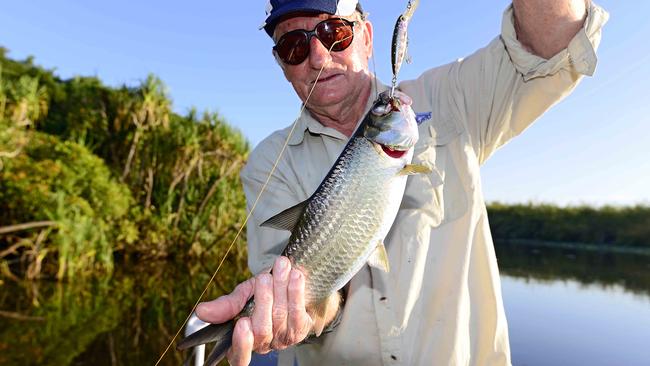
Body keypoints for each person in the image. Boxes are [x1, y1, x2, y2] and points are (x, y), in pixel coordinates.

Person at [196, 0, 608, 365]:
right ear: (282, 66)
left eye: (333, 32)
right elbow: (294, 291)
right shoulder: (269, 162)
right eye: (294, 46)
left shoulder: (451, 97)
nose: (318, 55)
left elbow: (553, 43)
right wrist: (299, 311)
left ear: (367, 37)